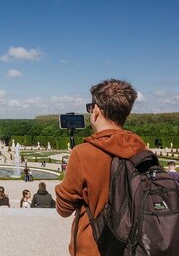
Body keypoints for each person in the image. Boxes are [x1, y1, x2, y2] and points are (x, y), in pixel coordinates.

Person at [55, 79, 146, 256]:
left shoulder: (83, 153)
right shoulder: (143, 150)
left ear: (96, 110)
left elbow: (63, 209)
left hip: (95, 247)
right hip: (135, 246)